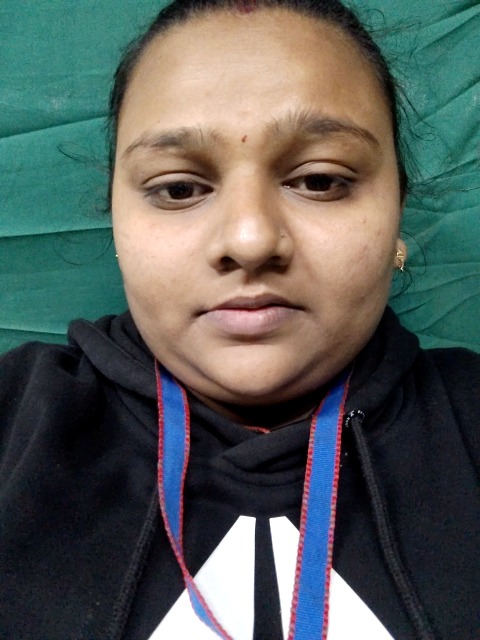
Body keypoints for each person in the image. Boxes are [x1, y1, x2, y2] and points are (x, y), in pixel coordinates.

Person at [0, 1, 478, 639]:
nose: (250, 240)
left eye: (320, 180)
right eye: (178, 188)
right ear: (115, 219)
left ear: (398, 208)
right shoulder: (14, 422)